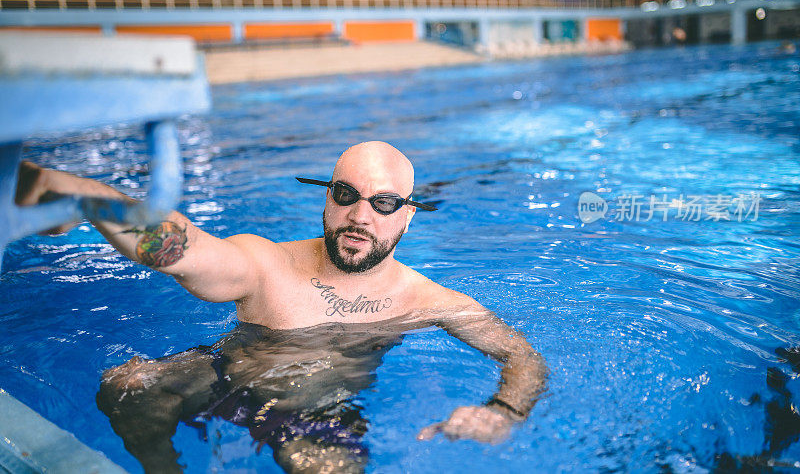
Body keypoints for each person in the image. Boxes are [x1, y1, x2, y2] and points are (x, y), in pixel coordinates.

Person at [15, 141, 548, 473]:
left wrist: (504, 412)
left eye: (383, 203)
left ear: (407, 218)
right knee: (127, 384)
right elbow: (179, 250)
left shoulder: (427, 300)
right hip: (224, 374)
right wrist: (90, 198)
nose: (360, 215)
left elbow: (522, 356)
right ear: (326, 198)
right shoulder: (266, 263)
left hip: (317, 412)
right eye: (346, 194)